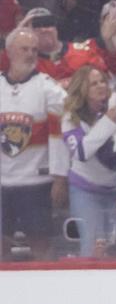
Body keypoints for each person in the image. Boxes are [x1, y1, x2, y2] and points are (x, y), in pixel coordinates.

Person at [0, 27, 66, 260]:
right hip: (2, 182)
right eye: (24, 49)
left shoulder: (48, 88)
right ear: (9, 52)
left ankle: (47, 291)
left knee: (41, 243)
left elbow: (60, 134)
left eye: (34, 50)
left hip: (36, 183)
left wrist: (59, 176)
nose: (30, 54)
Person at [60, 66, 116, 257]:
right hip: (85, 191)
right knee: (91, 248)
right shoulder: (71, 117)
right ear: (82, 89)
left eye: (102, 81)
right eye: (93, 83)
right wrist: (107, 121)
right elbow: (81, 152)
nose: (100, 86)